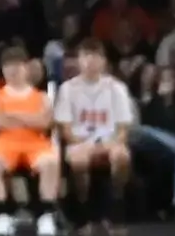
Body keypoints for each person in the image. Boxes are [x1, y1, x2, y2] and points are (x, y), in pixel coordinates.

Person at [0, 47, 61, 236]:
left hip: (35, 142)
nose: (13, 70)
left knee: (50, 161)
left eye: (17, 66)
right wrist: (29, 118)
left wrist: (12, 115)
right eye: (8, 66)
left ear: (26, 68)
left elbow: (44, 123)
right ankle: (1, 216)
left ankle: (46, 216)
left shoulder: (41, 97)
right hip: (4, 141)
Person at [55, 47, 139, 226]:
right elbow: (66, 129)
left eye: (95, 57)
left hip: (110, 140)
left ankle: (116, 203)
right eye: (86, 57)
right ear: (79, 61)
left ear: (104, 61)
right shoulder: (68, 89)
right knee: (79, 160)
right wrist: (85, 144)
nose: (91, 62)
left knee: (121, 156)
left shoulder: (117, 88)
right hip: (79, 141)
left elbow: (124, 128)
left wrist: (111, 144)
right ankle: (84, 210)